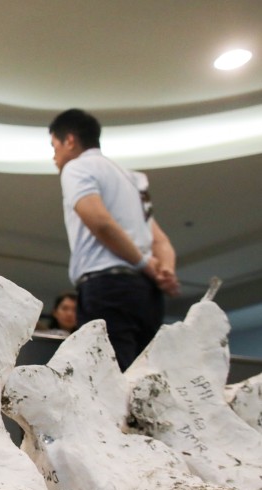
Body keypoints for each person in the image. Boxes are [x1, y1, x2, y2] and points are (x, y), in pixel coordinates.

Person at [49, 108, 179, 370]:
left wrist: (144, 263)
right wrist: (165, 270)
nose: (54, 156)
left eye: (54, 146)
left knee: (107, 381)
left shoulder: (77, 167)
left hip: (108, 289)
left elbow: (100, 222)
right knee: (142, 381)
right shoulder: (132, 179)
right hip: (146, 295)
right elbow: (160, 240)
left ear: (70, 140)